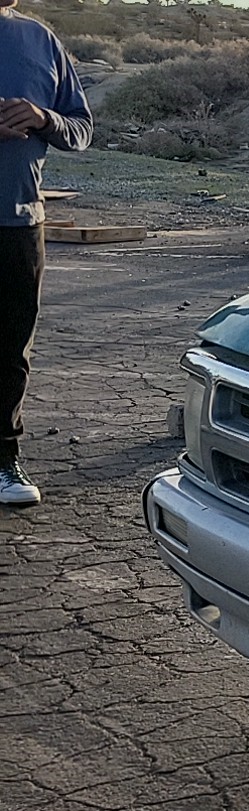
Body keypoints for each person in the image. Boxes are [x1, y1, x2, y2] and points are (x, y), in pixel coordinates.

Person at [1, 0, 93, 506]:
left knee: (11, 350)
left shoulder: (40, 39)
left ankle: (2, 460)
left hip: (17, 221)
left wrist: (43, 118)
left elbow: (81, 129)